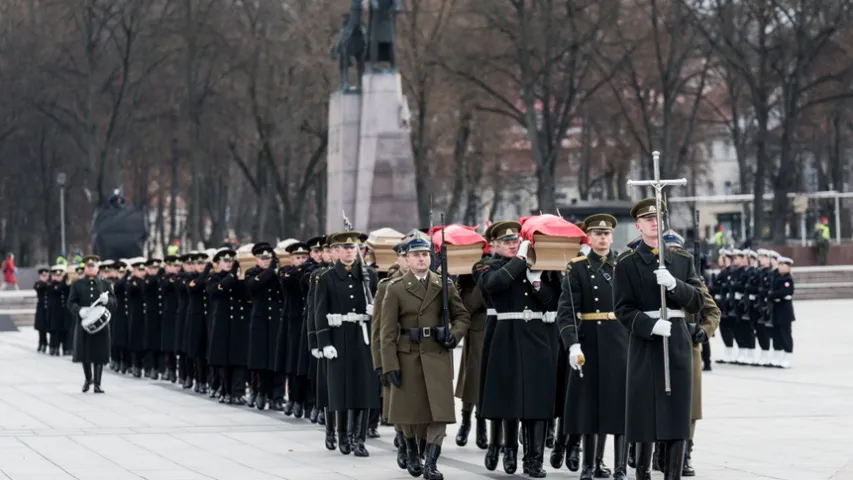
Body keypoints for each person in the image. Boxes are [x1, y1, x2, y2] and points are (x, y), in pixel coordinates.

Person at [613, 197, 704, 480]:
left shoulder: (681, 259)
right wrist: (650, 325)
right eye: (648, 219)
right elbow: (622, 309)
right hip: (646, 344)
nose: (654, 223)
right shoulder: (626, 263)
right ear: (638, 226)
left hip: (676, 342)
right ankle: (642, 472)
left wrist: (675, 285)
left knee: (677, 414)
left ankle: (673, 474)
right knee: (644, 416)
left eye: (658, 218)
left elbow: (698, 301)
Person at [380, 237, 472, 479]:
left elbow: (462, 316)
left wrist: (454, 335)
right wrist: (389, 365)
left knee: (438, 412)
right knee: (410, 411)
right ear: (407, 259)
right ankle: (411, 451)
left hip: (437, 354)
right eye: (416, 255)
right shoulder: (396, 287)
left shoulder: (443, 285)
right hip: (408, 355)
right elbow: (387, 332)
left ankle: (431, 463)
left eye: (426, 255)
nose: (422, 259)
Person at [478, 220, 559, 477]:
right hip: (507, 335)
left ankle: (534, 460)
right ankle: (509, 447)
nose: (513, 245)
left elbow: (553, 301)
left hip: (536, 336)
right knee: (509, 396)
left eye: (516, 241)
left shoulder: (538, 265)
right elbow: (494, 284)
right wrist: (521, 261)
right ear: (496, 245)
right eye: (508, 242)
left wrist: (537, 283)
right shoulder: (487, 266)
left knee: (537, 399)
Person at [557, 214, 627, 480]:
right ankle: (589, 464)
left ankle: (619, 466)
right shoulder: (577, 268)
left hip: (620, 341)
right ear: (589, 237)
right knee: (589, 406)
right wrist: (572, 344)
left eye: (607, 234)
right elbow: (567, 311)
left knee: (619, 406)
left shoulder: (622, 265)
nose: (603, 238)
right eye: (597, 234)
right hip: (590, 342)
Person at [315, 231, 379, 457]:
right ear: (335, 251)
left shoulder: (369, 275)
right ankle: (342, 434)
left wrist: (375, 312)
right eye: (345, 248)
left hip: (362, 337)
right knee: (341, 389)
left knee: (364, 388)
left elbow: (378, 302)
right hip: (339, 336)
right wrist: (324, 342)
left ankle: (359, 439)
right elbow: (319, 312)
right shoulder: (326, 278)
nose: (350, 251)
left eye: (353, 248)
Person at [663, 231, 721, 477]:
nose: (675, 253)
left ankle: (685, 453)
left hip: (689, 346)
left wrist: (703, 331)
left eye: (678, 249)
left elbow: (712, 312)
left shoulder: (693, 280)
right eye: (670, 250)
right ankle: (661, 451)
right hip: (661, 344)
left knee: (690, 405)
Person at [371, 240, 409, 470]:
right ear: (398, 259)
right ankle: (404, 443)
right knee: (399, 405)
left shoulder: (434, 282)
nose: (410, 260)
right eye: (405, 256)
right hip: (394, 354)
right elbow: (378, 329)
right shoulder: (387, 286)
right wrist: (380, 363)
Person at [67, 255, 116, 393]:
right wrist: (79, 310)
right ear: (85, 268)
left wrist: (107, 301)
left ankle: (98, 383)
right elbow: (71, 303)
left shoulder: (105, 284)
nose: (91, 268)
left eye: (93, 266)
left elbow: (114, 302)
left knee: (99, 353)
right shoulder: (77, 284)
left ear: (97, 267)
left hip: (101, 325)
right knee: (85, 353)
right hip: (84, 323)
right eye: (88, 266)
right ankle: (88, 378)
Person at [247, 242, 285, 410]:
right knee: (261, 360)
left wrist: (277, 272)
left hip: (276, 320)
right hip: (260, 321)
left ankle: (277, 396)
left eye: (268, 258)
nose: (266, 261)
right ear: (256, 259)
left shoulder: (278, 274)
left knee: (277, 360)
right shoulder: (252, 273)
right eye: (262, 258)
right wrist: (271, 271)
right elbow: (254, 285)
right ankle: (261, 392)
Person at [768, 257, 795, 368]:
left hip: (785, 312)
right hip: (776, 310)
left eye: (783, 265)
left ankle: (787, 355)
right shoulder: (777, 277)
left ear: (789, 267)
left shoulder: (788, 279)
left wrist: (772, 295)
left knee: (785, 334)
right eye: (779, 264)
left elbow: (785, 291)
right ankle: (777, 355)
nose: (780, 267)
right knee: (776, 335)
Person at [34, 267, 51, 353]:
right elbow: (39, 287)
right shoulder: (38, 284)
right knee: (41, 328)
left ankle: (51, 345)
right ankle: (42, 343)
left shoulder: (50, 284)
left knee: (51, 327)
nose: (44, 277)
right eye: (42, 275)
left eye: (46, 275)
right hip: (41, 309)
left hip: (50, 309)